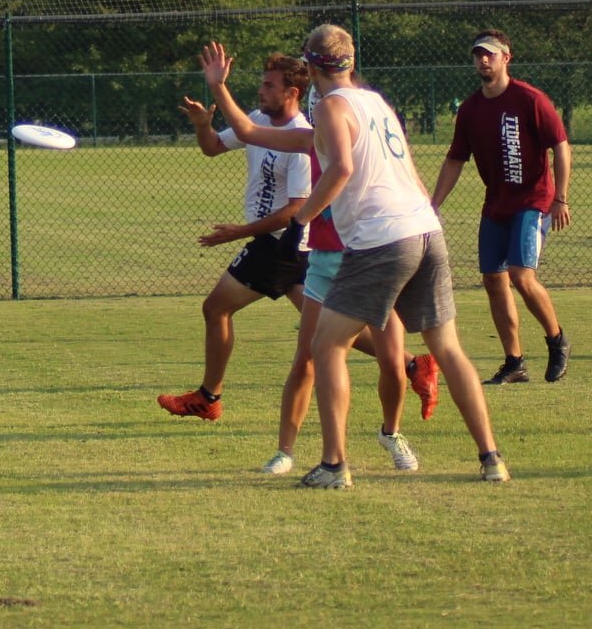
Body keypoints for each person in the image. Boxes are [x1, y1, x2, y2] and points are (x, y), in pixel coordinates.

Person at [209, 27, 509, 487]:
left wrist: (300, 220)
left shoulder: (331, 107)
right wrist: (218, 87)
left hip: (382, 239)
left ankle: (333, 465)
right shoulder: (374, 103)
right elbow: (250, 131)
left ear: (310, 68)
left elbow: (343, 169)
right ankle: (491, 459)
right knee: (446, 348)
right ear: (348, 62)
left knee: (325, 345)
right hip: (425, 228)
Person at [198, 67, 442, 474]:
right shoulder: (310, 140)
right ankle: (287, 452)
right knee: (308, 356)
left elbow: (326, 196)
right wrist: (218, 87)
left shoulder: (366, 154)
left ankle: (391, 432)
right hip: (324, 258)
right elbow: (247, 130)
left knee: (391, 358)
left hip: (370, 256)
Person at [158, 54, 315, 421]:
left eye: (269, 85)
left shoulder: (301, 139)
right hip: (287, 246)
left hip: (281, 243)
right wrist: (201, 125)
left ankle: (208, 397)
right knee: (330, 327)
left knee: (216, 307)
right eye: (262, 83)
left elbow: (296, 209)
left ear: (292, 92)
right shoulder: (259, 121)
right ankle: (411, 364)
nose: (261, 90)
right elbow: (212, 147)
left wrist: (238, 233)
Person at [430, 29, 572, 385]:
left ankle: (556, 340)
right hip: (497, 205)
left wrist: (561, 198)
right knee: (493, 280)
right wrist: (432, 205)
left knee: (521, 277)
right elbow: (454, 160)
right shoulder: (471, 109)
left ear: (506, 58)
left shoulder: (530, 99)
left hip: (533, 201)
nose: (483, 60)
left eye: (490, 54)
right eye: (478, 54)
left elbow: (561, 146)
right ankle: (514, 362)